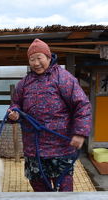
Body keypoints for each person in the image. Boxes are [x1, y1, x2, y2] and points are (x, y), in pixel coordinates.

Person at [7, 38, 92, 192]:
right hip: (34, 148)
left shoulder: (64, 78)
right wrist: (14, 114)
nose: (35, 63)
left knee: (64, 190)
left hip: (61, 148)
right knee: (39, 189)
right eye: (31, 59)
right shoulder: (25, 83)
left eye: (39, 58)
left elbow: (82, 105)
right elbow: (15, 104)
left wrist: (80, 133)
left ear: (48, 57)